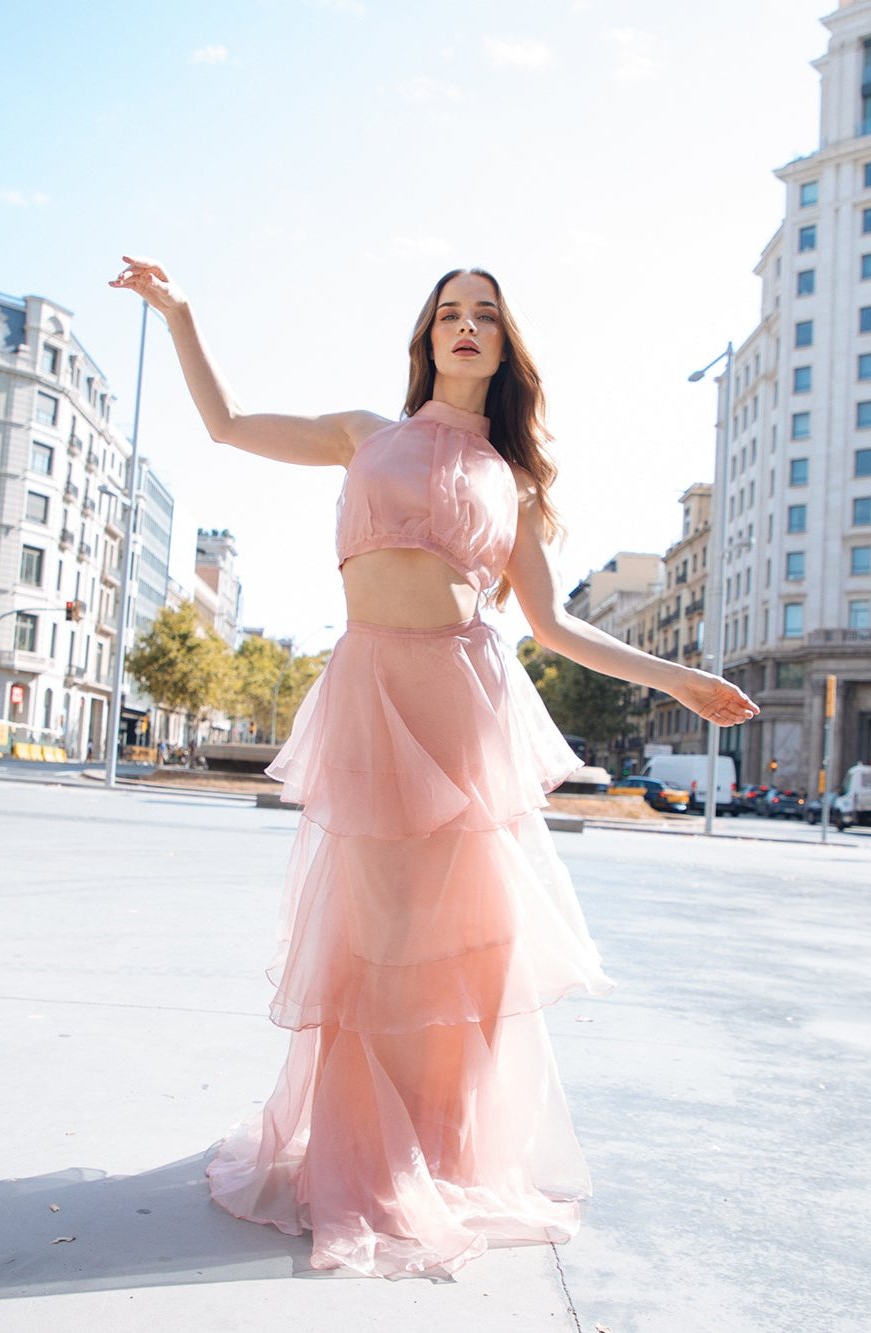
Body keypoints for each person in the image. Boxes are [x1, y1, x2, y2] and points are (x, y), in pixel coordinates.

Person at [111, 257, 759, 1279]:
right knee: (370, 937)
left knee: (452, 943)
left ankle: (436, 1150)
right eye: (448, 312)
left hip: (464, 704)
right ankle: (361, 1160)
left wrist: (675, 677)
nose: (465, 326)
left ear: (505, 345)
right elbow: (228, 423)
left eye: (484, 315)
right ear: (426, 337)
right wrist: (180, 313)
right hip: (373, 692)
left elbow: (556, 626)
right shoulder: (364, 434)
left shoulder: (515, 481)